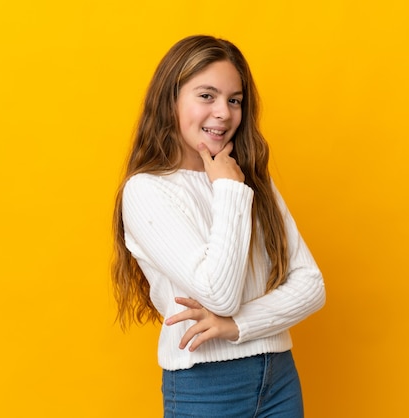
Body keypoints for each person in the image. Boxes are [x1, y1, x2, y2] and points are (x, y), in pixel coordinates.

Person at [112, 35, 326, 418]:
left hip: (279, 377)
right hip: (207, 386)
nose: (224, 113)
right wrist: (227, 187)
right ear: (170, 100)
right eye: (206, 96)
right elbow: (219, 294)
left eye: (234, 100)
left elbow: (311, 284)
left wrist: (238, 325)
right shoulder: (148, 190)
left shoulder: (251, 181)